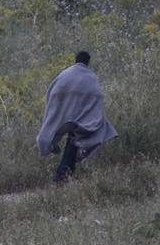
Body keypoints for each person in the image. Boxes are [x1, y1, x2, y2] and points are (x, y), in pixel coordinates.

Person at [36, 51, 117, 183]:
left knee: (71, 140)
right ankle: (63, 175)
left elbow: (52, 91)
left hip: (64, 109)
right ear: (88, 62)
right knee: (75, 139)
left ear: (76, 60)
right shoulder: (91, 77)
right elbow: (97, 96)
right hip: (82, 118)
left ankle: (64, 174)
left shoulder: (65, 74)